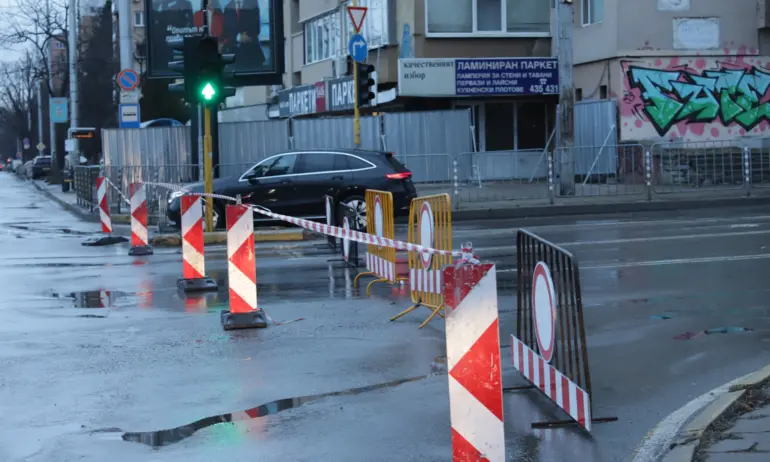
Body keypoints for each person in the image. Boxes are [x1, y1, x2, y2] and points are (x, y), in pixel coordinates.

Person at [221, 0, 266, 70]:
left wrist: (242, 35)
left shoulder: (252, 3)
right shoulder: (228, 7)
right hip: (234, 55)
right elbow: (226, 32)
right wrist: (238, 37)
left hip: (252, 54)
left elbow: (256, 29)